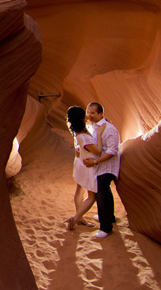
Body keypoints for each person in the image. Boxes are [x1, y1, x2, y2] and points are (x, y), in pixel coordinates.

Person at [64, 106, 104, 231]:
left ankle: (80, 217)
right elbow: (98, 150)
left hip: (80, 162)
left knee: (79, 189)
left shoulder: (77, 130)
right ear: (82, 118)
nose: (87, 115)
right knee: (92, 196)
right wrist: (99, 134)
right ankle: (75, 218)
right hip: (87, 165)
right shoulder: (84, 136)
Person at [84, 102, 120, 238]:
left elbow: (112, 150)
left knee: (101, 194)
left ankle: (106, 228)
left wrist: (95, 161)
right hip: (99, 166)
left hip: (107, 166)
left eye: (92, 113)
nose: (89, 115)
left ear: (101, 114)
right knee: (105, 192)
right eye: (88, 112)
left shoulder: (109, 129)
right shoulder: (94, 127)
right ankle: (109, 217)